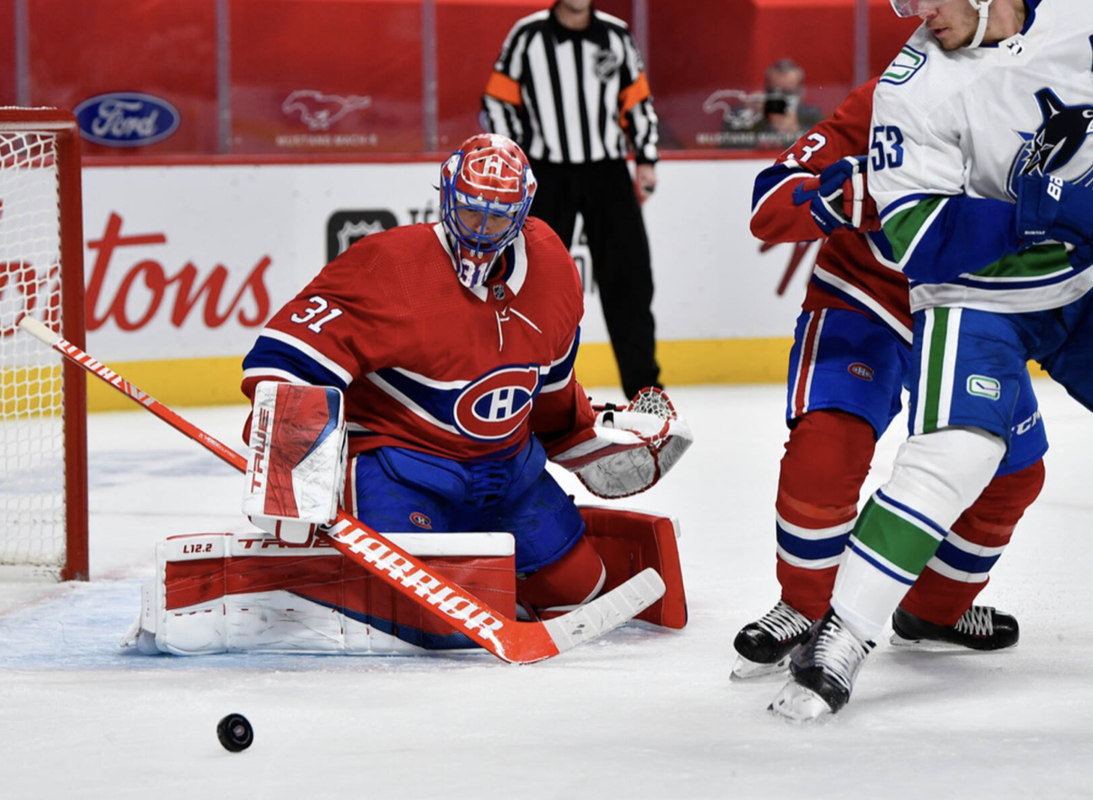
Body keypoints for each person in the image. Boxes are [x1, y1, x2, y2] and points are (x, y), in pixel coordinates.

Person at [771, 0, 1093, 720]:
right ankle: (835, 629)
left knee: (1016, 475)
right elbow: (918, 238)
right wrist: (1034, 213)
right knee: (953, 452)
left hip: (1080, 279)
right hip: (968, 296)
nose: (915, 12)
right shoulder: (907, 85)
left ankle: (935, 610)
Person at [237, 133, 691, 631]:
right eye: (471, 211)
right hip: (403, 467)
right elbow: (281, 359)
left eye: (497, 217)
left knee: (581, 590)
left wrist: (586, 438)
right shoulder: (389, 266)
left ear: (522, 214)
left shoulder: (554, 268)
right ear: (447, 196)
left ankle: (495, 578)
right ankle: (354, 580)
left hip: (508, 473)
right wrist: (291, 463)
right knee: (427, 619)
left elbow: (553, 388)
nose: (479, 230)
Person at [737, 75, 1047, 680]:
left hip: (966, 309)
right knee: (829, 441)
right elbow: (770, 205)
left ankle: (932, 611)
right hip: (865, 297)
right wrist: (842, 196)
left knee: (1014, 475)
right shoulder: (894, 94)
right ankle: (806, 606)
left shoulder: (1043, 101)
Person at [482, 0, 661, 400]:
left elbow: (638, 101)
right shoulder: (528, 35)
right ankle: (525, 388)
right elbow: (497, 98)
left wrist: (646, 158)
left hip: (608, 172)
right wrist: (516, 155)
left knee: (629, 282)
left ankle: (645, 392)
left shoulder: (616, 35)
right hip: (547, 174)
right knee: (531, 282)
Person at [752, 59, 825, 147]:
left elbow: (821, 146)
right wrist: (751, 114)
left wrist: (796, 131)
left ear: (801, 92)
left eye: (788, 92)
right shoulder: (756, 112)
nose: (780, 98)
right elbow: (734, 141)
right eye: (773, 91)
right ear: (765, 89)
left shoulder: (811, 115)